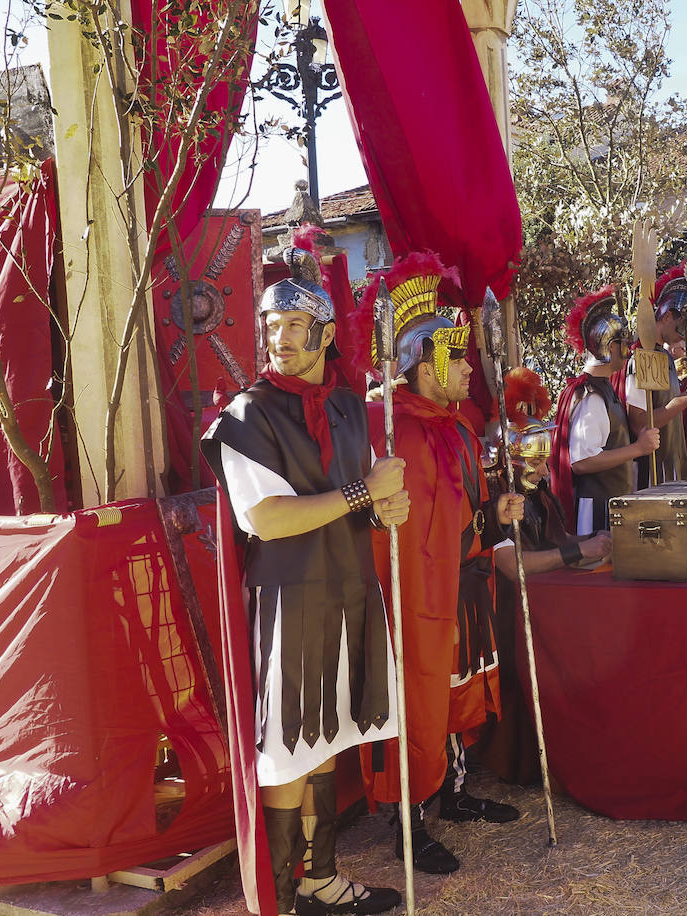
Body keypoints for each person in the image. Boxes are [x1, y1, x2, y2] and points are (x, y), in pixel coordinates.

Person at [202, 246, 404, 916]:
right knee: (288, 744)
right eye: (271, 329)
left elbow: (373, 499)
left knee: (328, 734)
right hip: (289, 598)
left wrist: (387, 506)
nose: (279, 339)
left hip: (347, 591)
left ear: (320, 333)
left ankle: (320, 880)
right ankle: (284, 898)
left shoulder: (348, 409)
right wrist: (360, 494)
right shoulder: (245, 417)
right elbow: (266, 518)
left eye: (293, 327)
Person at [362, 252, 525, 877]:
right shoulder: (398, 432)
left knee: (456, 697)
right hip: (419, 593)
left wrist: (495, 515)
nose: (466, 369)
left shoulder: (454, 426)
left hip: (462, 581)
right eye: (455, 357)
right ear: (424, 366)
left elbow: (461, 511)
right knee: (418, 703)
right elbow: (406, 531)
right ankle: (410, 821)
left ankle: (452, 794)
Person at [483, 368, 612, 784]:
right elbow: (509, 565)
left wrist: (597, 542)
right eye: (534, 463)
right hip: (508, 619)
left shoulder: (539, 492)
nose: (542, 472)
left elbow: (557, 541)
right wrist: (578, 550)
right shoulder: (498, 492)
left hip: (544, 610)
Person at [550, 286, 659, 534]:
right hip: (596, 512)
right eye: (624, 343)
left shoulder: (603, 389)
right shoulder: (593, 397)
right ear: (610, 347)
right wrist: (638, 448)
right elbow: (582, 461)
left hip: (610, 505)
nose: (629, 350)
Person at [621, 264, 687, 487]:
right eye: (682, 323)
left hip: (672, 467)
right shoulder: (640, 357)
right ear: (667, 316)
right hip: (652, 474)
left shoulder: (665, 356)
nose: (685, 333)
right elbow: (640, 423)